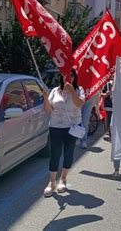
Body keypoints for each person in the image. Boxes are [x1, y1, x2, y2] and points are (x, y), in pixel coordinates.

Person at [42, 69, 85, 197]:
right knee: (54, 153)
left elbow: (79, 104)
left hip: (71, 127)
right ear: (61, 76)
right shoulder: (55, 91)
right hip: (55, 126)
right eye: (65, 75)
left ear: (74, 77)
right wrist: (45, 98)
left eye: (70, 75)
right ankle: (51, 182)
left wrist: (72, 91)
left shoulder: (79, 90)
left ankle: (63, 179)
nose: (67, 77)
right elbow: (49, 110)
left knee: (68, 152)